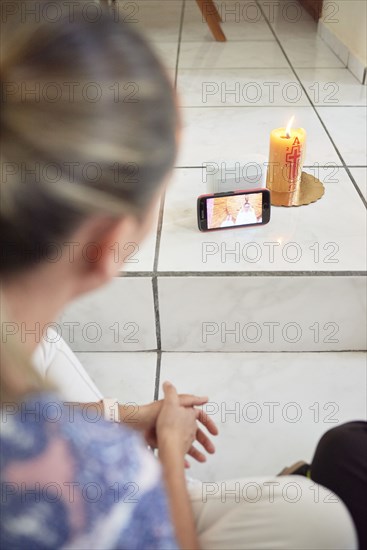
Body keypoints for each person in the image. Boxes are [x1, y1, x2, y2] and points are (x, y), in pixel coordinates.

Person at [0, 2, 359, 549]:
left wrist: (124, 414)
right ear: (106, 249)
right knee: (322, 521)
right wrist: (166, 449)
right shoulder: (88, 467)